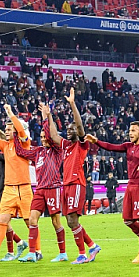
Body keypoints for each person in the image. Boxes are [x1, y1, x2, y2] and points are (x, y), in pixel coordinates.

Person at [86, 121, 139, 263]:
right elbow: (111, 147)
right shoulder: (128, 146)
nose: (130, 133)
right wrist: (96, 141)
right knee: (128, 220)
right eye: (130, 130)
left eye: (134, 131)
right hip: (131, 185)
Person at [12, 102, 68, 262]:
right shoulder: (38, 152)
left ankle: (62, 253)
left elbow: (51, 135)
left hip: (54, 188)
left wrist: (46, 117)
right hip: (40, 189)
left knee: (56, 222)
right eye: (42, 137)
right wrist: (16, 134)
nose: (44, 139)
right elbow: (21, 151)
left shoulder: (57, 150)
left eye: (45, 137)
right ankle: (32, 253)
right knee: (32, 219)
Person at [50, 88, 101, 264]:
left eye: (73, 129)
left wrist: (72, 104)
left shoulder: (81, 144)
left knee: (72, 220)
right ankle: (92, 246)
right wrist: (48, 115)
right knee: (70, 221)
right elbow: (53, 135)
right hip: (67, 184)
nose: (70, 131)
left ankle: (82, 253)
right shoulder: (65, 145)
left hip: (77, 183)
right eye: (68, 129)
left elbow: (80, 126)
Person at [0, 105, 33, 263]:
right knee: (2, 220)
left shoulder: (24, 144)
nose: (6, 131)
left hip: (24, 188)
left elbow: (21, 132)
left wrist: (10, 113)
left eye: (9, 129)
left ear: (16, 131)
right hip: (9, 189)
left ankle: (36, 251)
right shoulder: (5, 146)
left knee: (30, 222)